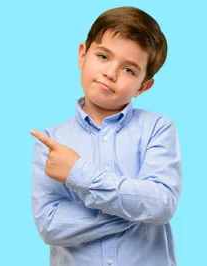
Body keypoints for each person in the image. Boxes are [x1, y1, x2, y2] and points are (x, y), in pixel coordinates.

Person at [30, 6, 182, 266]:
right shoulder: (51, 142)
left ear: (143, 87)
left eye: (129, 70)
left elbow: (161, 204)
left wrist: (78, 173)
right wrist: (136, 209)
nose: (111, 73)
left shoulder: (158, 128)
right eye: (103, 56)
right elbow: (50, 226)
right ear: (82, 55)